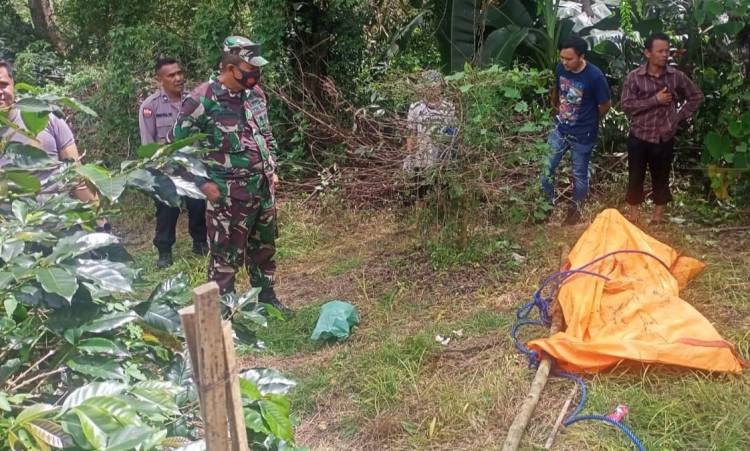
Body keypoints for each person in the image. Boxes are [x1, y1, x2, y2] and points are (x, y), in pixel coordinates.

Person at [171, 36, 290, 314]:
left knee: (264, 246)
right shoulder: (201, 100)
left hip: (261, 187)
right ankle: (224, 310)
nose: (255, 74)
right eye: (250, 67)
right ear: (230, 67)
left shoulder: (256, 94)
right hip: (226, 192)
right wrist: (202, 183)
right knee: (225, 253)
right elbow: (176, 148)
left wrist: (272, 167)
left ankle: (266, 298)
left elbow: (265, 133)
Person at [621, 33, 703, 225]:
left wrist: (678, 117)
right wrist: (654, 100)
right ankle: (634, 216)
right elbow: (626, 105)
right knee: (635, 176)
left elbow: (696, 96)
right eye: (660, 51)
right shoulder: (634, 77)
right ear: (648, 53)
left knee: (661, 176)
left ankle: (658, 217)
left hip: (664, 135)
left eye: (667, 51)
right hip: (639, 134)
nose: (665, 55)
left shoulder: (676, 76)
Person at [139, 56, 207, 268]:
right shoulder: (150, 106)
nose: (178, 78)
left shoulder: (193, 101)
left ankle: (200, 243)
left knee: (199, 207)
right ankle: (164, 251)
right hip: (167, 171)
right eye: (171, 75)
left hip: (194, 166)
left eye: (179, 73)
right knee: (167, 212)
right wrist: (156, 174)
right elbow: (148, 143)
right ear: (160, 79)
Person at [0, 59, 96, 204]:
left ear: (14, 84)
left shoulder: (46, 118)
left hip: (56, 220)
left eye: (3, 85)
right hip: (10, 225)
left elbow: (76, 177)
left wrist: (101, 222)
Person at [540, 36, 611, 225]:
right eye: (562, 57)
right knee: (546, 170)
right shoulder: (560, 69)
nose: (564, 62)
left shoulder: (594, 76)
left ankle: (575, 213)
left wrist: (589, 120)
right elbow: (557, 92)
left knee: (579, 175)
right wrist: (557, 112)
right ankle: (546, 208)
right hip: (560, 129)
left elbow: (605, 105)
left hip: (583, 134)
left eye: (569, 58)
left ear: (581, 56)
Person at [403, 70, 457, 203]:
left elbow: (452, 134)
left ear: (441, 87)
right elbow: (411, 133)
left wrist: (450, 156)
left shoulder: (448, 108)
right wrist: (410, 154)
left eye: (436, 86)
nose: (433, 89)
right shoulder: (416, 107)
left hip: (441, 159)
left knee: (441, 194)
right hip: (422, 159)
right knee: (421, 194)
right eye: (429, 86)